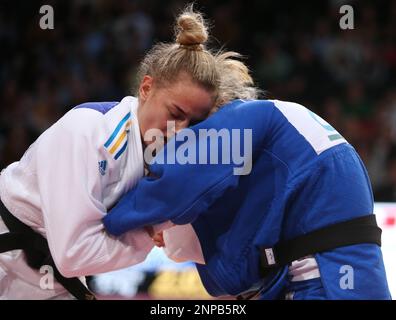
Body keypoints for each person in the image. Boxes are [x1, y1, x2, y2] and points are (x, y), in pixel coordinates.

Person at [0, 6, 256, 299]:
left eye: (194, 122)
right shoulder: (88, 132)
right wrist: (147, 232)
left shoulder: (166, 156)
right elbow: (74, 254)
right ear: (147, 87)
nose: (180, 129)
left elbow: (175, 246)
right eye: (175, 112)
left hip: (48, 277)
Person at [103, 88, 392, 300]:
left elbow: (174, 186)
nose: (183, 136)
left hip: (328, 283)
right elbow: (231, 277)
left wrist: (110, 218)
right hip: (342, 280)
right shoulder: (286, 133)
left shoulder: (254, 117)